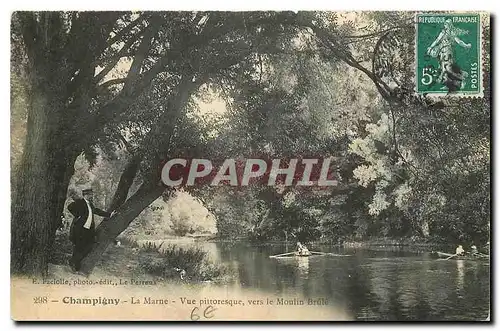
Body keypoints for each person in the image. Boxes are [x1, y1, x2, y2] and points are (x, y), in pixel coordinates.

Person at [68, 188, 116, 273]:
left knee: (89, 246)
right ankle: (74, 264)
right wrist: (77, 216)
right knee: (79, 247)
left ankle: (75, 263)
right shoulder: (80, 202)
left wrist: (109, 214)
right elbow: (70, 207)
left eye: (91, 194)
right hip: (80, 229)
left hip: (88, 230)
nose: (91, 196)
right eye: (90, 194)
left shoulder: (90, 204)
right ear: (86, 195)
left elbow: (97, 211)